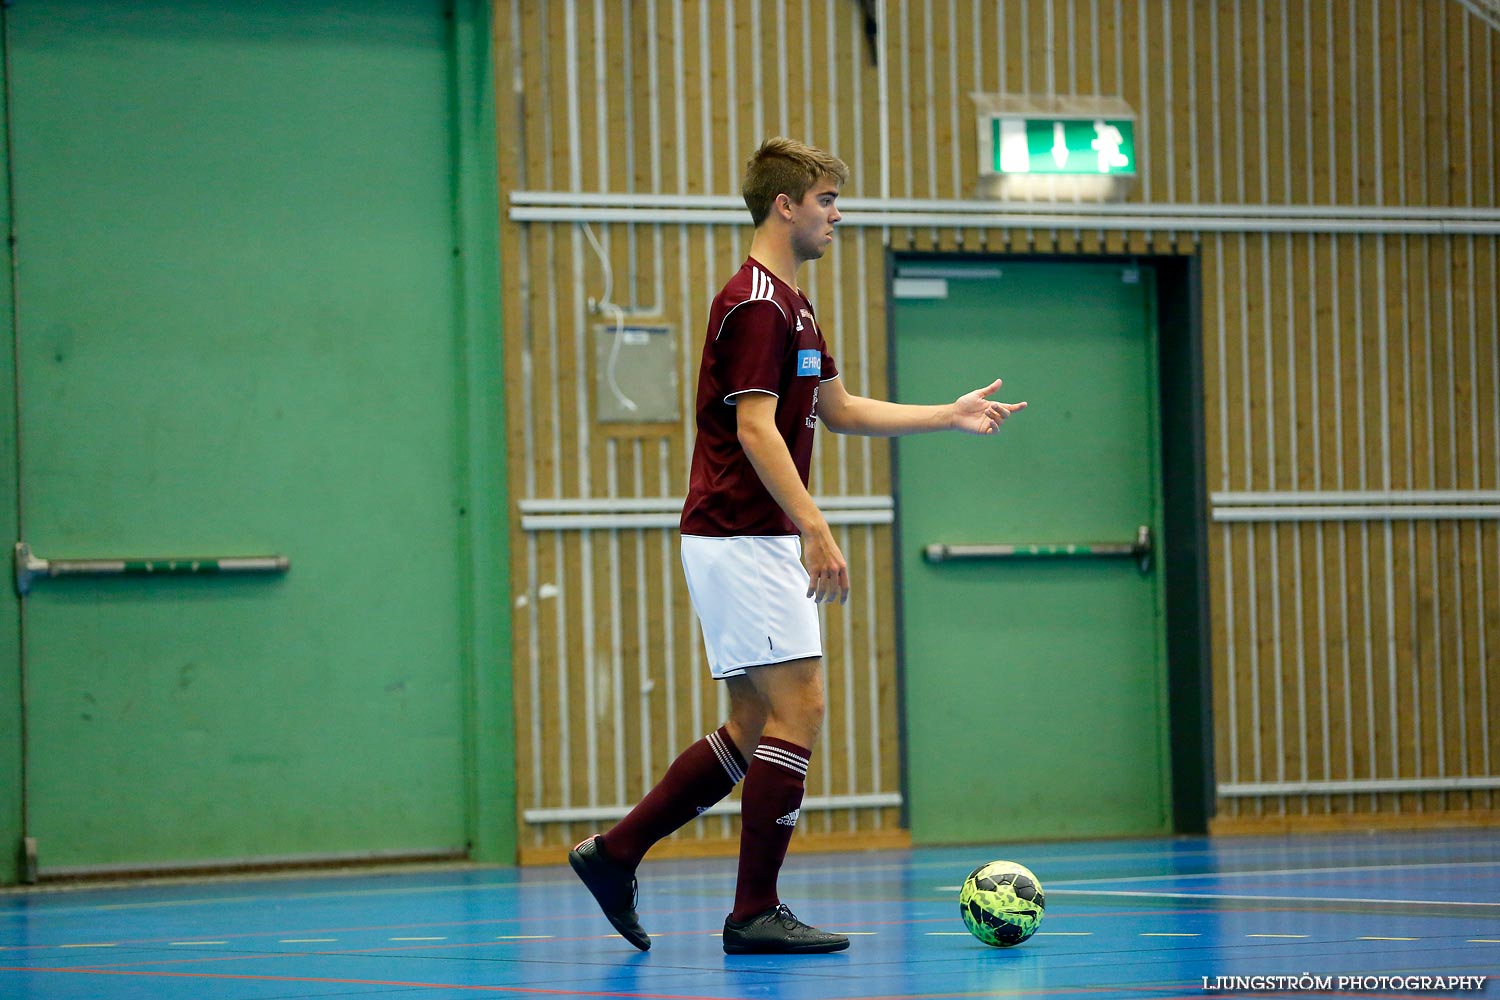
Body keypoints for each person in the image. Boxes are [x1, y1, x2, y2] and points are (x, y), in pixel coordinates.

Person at [570, 137, 1027, 955]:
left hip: (749, 536)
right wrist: (814, 525)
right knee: (800, 707)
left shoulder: (796, 304)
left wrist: (946, 415)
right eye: (826, 201)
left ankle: (615, 853)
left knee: (753, 722)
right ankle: (752, 911)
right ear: (785, 205)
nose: (837, 215)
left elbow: (839, 409)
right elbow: (752, 427)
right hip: (744, 534)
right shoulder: (755, 303)